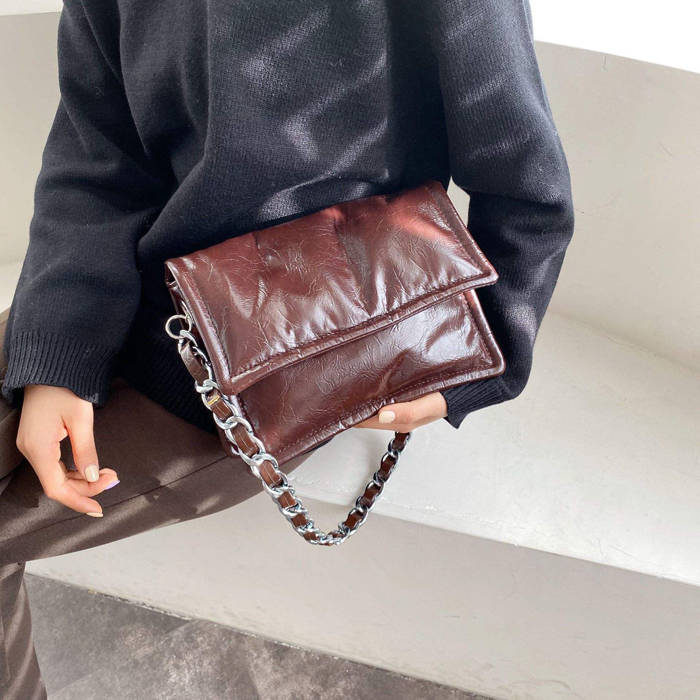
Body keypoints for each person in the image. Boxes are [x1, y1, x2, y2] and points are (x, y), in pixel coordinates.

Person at [0, 0, 574, 696]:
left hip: (283, 363)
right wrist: (58, 359)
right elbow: (97, 155)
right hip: (118, 290)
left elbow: (525, 180)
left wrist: (477, 364)